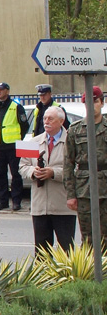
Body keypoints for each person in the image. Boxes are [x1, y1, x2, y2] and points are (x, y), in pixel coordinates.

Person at [19, 105, 76, 253]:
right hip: (40, 207)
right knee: (42, 252)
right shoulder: (32, 142)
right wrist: (33, 172)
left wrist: (54, 173)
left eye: (50, 119)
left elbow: (78, 169)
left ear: (61, 121)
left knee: (66, 250)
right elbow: (22, 167)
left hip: (63, 207)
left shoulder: (72, 141)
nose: (46, 122)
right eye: (44, 118)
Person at [64, 86, 107, 246]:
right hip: (84, 189)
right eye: (87, 101)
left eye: (95, 101)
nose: (91, 105)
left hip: (105, 185)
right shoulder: (75, 130)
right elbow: (68, 163)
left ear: (102, 103)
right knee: (88, 238)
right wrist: (71, 195)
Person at [0, 82, 29, 211]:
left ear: (7, 91)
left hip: (13, 146)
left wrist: (18, 138)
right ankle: (3, 201)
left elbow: (24, 125)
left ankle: (16, 201)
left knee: (16, 174)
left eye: (1, 89)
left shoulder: (16, 106)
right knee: (0, 175)